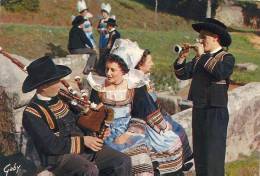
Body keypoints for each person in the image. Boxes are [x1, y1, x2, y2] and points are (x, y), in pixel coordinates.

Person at [87, 39, 191, 175]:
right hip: (105, 132)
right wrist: (99, 126)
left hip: (128, 129)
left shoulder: (133, 88)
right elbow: (92, 113)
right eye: (107, 69)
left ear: (124, 71)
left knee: (141, 153)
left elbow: (139, 115)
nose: (108, 73)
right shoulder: (98, 87)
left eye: (113, 70)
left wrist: (128, 134)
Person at [22, 56, 131, 176]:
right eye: (55, 81)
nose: (60, 85)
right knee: (89, 171)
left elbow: (81, 120)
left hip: (84, 147)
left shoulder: (62, 98)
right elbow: (50, 145)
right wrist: (83, 141)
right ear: (42, 86)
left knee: (122, 161)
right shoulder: (32, 113)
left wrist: (99, 129)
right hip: (58, 156)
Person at [173, 18, 235, 176]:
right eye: (199, 37)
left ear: (216, 38)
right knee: (200, 156)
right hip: (199, 110)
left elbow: (220, 72)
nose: (200, 41)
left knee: (212, 157)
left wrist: (202, 56)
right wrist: (182, 57)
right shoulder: (200, 59)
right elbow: (182, 74)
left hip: (215, 112)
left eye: (203, 37)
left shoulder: (226, 58)